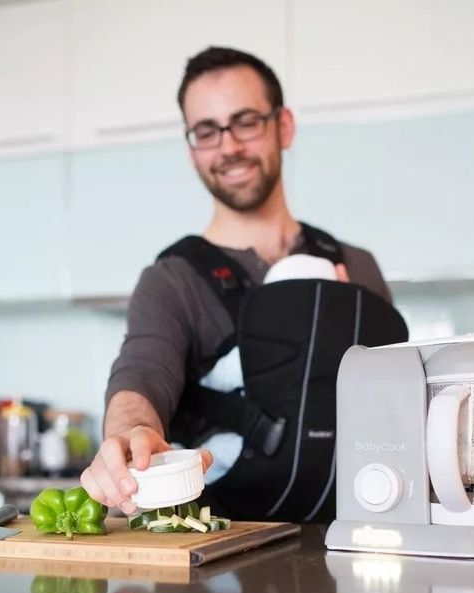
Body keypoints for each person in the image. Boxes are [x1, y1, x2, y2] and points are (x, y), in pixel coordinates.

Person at [80, 46, 405, 521]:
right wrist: (129, 433)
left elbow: (400, 406)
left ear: (284, 127)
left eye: (246, 121)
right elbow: (142, 371)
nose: (228, 147)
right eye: (207, 131)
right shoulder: (173, 279)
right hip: (222, 562)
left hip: (358, 544)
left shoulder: (357, 266)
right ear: (192, 150)